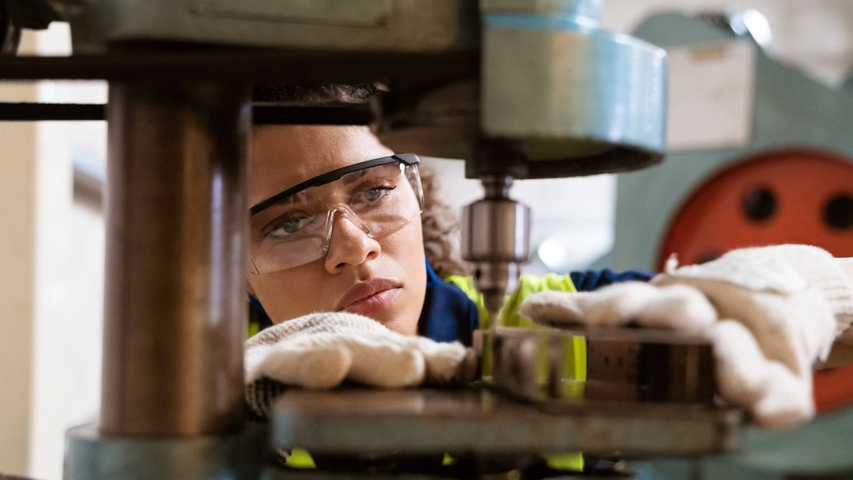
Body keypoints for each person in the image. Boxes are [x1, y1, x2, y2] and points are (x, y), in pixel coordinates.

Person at [243, 85, 853, 471]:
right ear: (225, 268)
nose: (354, 247)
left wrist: (792, 287)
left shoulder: (562, 320)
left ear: (416, 190)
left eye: (374, 190)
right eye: (286, 225)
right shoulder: (199, 394)